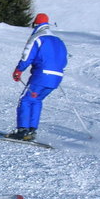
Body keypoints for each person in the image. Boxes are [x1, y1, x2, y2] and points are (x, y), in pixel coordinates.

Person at [7, 13, 68, 141]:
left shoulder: (38, 37)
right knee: (36, 100)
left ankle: (22, 130)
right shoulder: (58, 40)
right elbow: (64, 59)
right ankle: (32, 130)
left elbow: (27, 55)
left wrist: (19, 70)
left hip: (42, 75)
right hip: (56, 76)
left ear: (36, 24)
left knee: (25, 100)